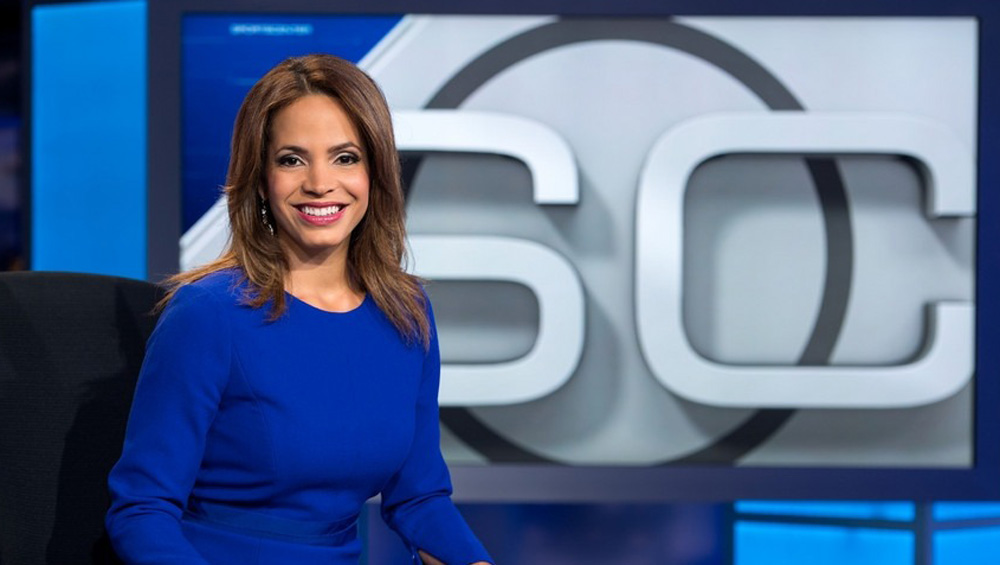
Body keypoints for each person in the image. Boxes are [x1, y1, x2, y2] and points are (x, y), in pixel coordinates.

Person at [105, 54, 493, 565]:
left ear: (375, 172)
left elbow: (419, 498)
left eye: (345, 157)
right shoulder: (208, 315)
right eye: (292, 160)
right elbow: (142, 510)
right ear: (260, 178)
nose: (319, 183)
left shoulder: (406, 312)